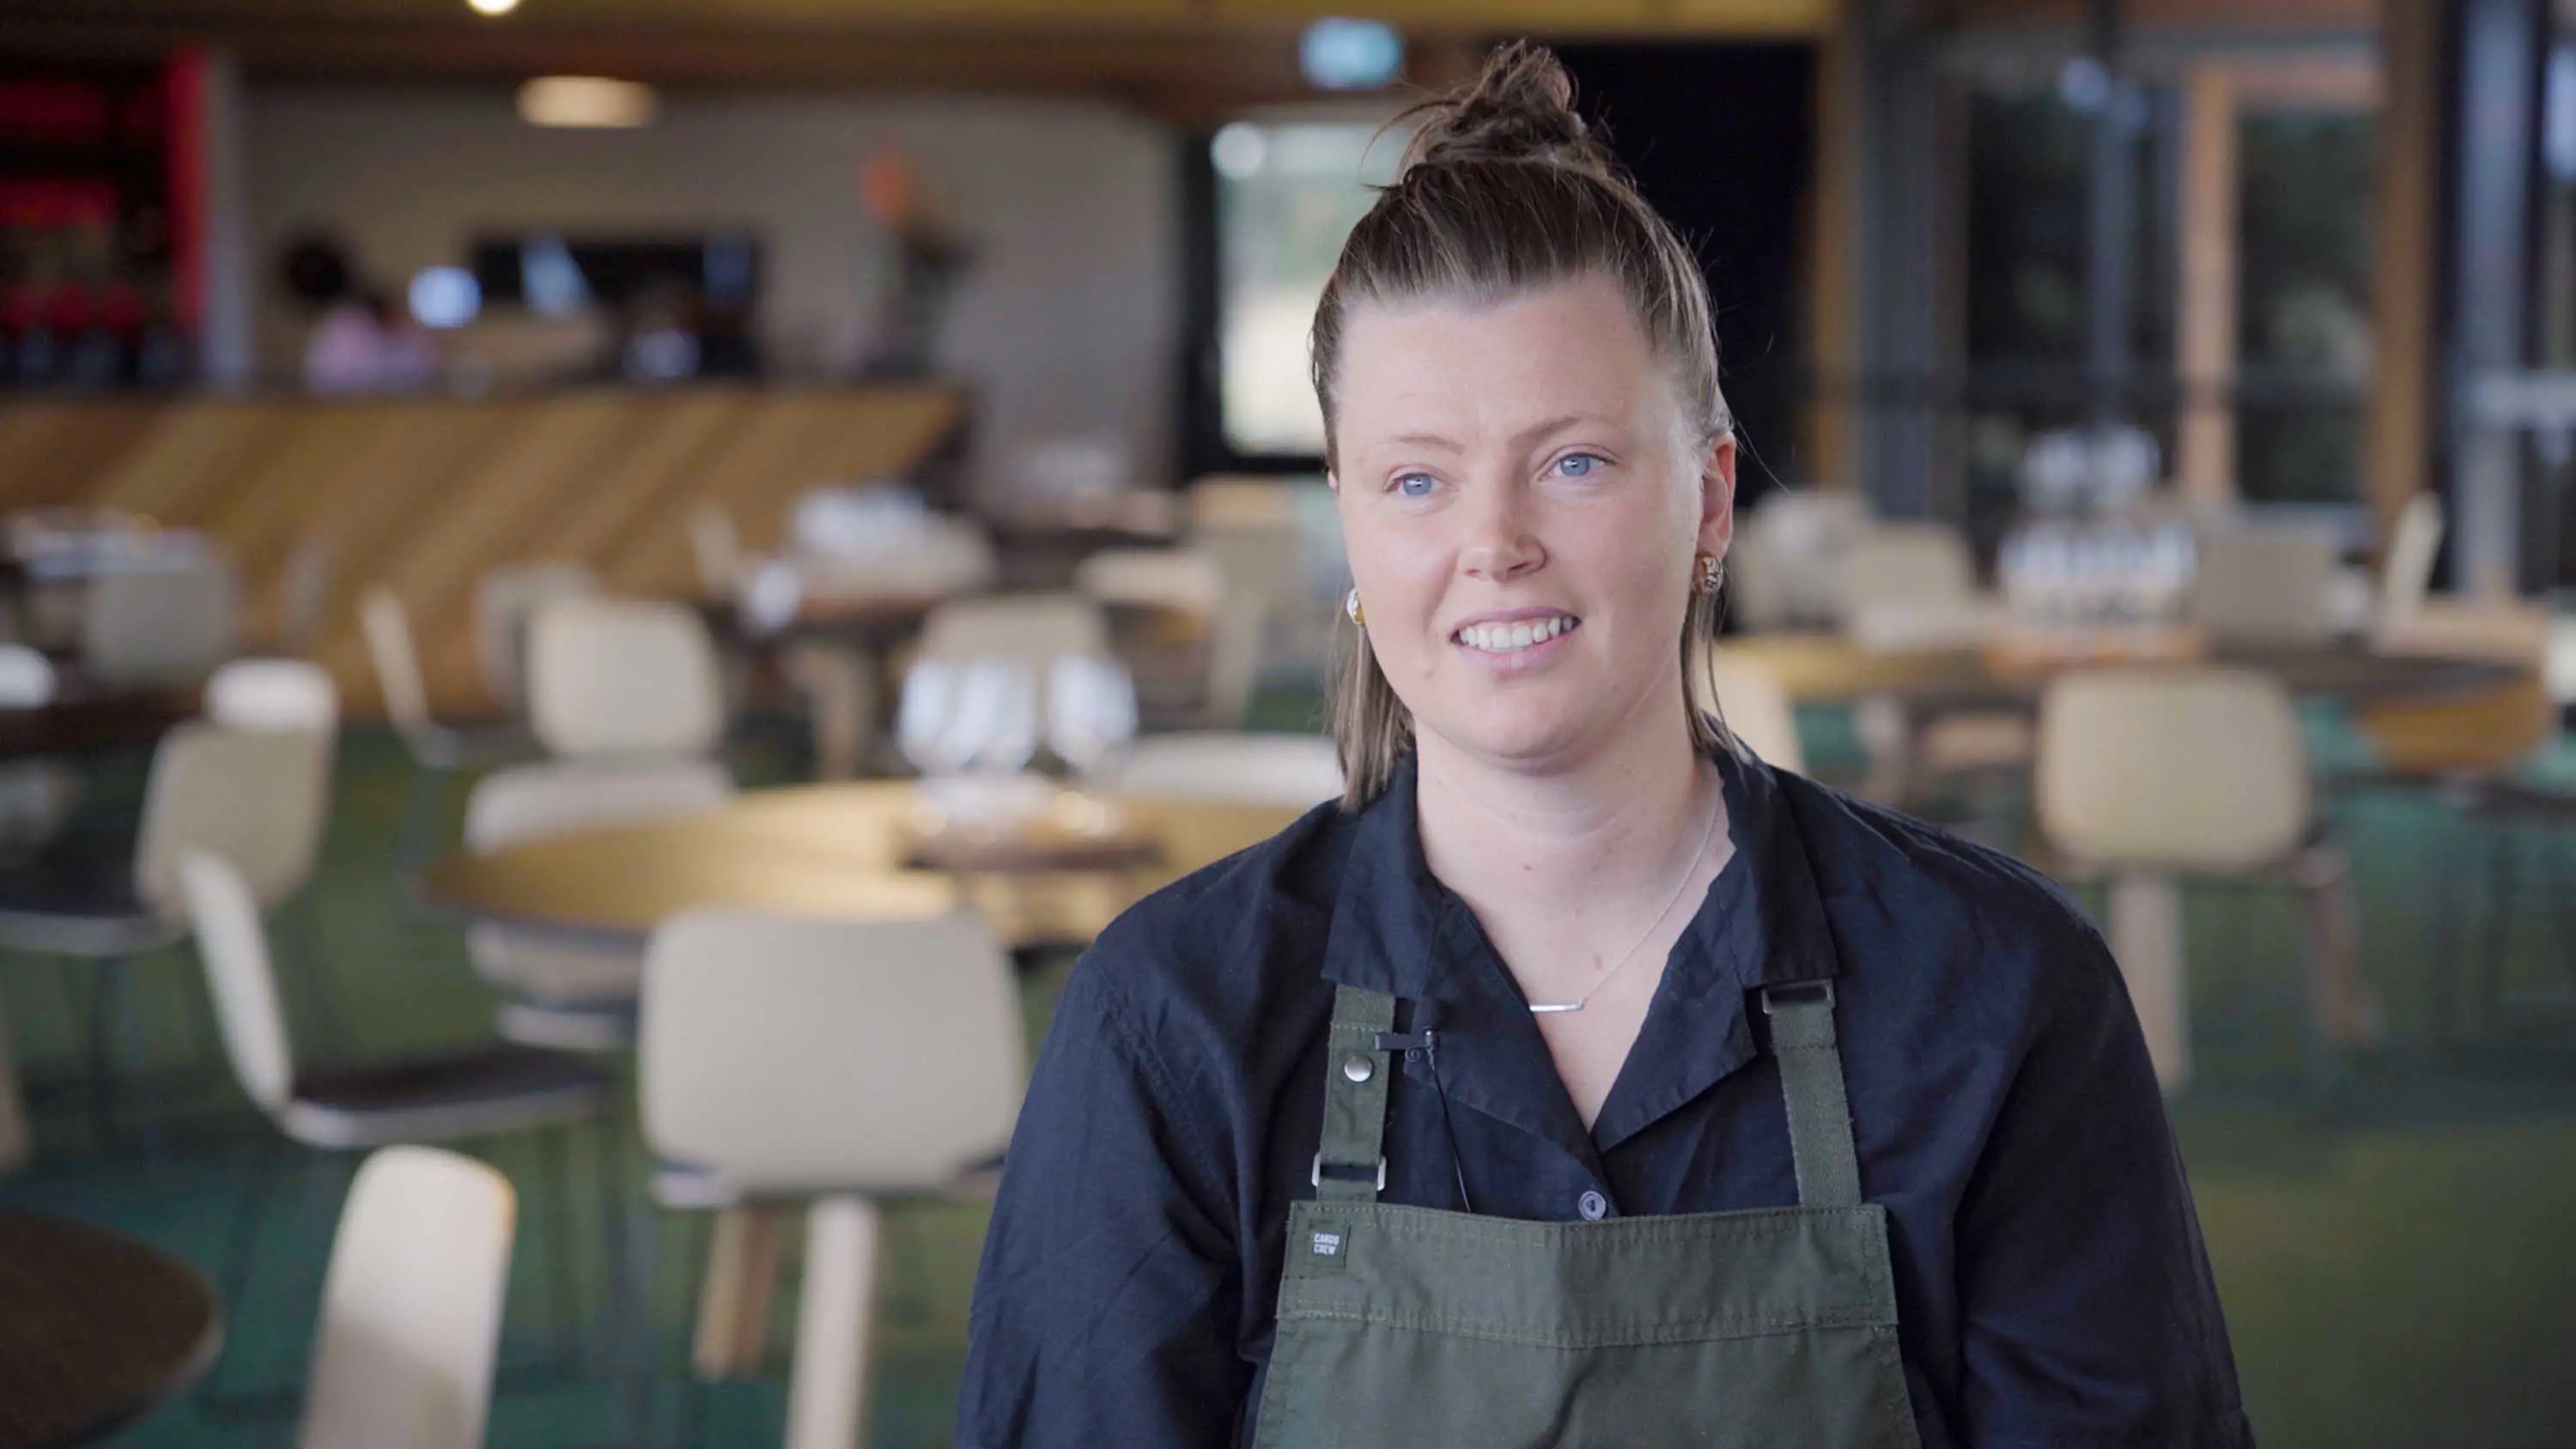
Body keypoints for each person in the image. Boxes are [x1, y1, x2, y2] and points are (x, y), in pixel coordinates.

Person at [957, 43, 2252, 1449]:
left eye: (1572, 461)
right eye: (1415, 479)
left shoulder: (1994, 995)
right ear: (1350, 523)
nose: (1494, 545)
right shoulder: (1175, 1023)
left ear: (1707, 502)